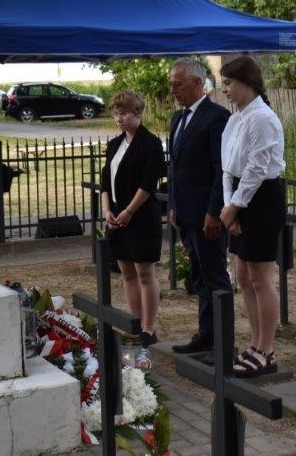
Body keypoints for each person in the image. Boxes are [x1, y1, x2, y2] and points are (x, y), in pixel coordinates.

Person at [218, 56, 287, 379]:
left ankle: (267, 350)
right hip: (239, 198)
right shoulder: (236, 119)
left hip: (261, 199)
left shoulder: (262, 118)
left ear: (247, 82)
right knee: (243, 276)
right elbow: (227, 168)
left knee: (261, 278)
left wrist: (234, 207)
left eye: (229, 83)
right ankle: (255, 343)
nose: (225, 90)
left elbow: (257, 169)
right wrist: (229, 207)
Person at [168, 59, 233, 358]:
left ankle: (223, 344)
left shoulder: (217, 117)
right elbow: (175, 167)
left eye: (177, 84)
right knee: (199, 277)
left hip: (206, 214)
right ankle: (206, 335)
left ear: (197, 83)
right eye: (171, 84)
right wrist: (173, 205)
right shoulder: (178, 118)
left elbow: (221, 169)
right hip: (185, 213)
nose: (173, 90)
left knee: (215, 277)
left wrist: (213, 212)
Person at [100, 90, 165, 368]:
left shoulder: (150, 143)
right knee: (126, 273)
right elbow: (105, 181)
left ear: (138, 113)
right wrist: (108, 211)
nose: (119, 118)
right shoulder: (114, 144)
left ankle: (149, 328)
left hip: (141, 217)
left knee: (144, 273)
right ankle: (135, 323)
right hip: (117, 218)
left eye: (124, 113)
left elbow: (148, 184)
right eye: (116, 114)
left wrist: (128, 211)